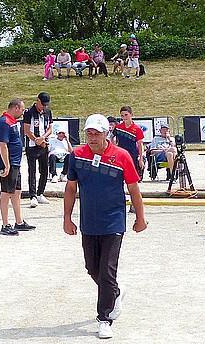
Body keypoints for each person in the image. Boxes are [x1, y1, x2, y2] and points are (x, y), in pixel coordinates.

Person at [63, 114, 147, 340]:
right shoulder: (77, 156)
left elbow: (133, 188)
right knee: (92, 268)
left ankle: (104, 318)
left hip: (114, 221)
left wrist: (140, 217)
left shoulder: (122, 156)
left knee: (107, 271)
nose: (92, 137)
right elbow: (71, 188)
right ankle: (115, 293)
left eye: (96, 133)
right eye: (89, 133)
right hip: (89, 222)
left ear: (106, 133)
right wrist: (67, 217)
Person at [0, 98, 32, 235]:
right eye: (22, 109)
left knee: (17, 191)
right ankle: (5, 225)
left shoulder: (12, 122)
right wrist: (7, 165)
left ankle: (19, 222)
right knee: (6, 192)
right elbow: (2, 145)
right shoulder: (4, 122)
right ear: (15, 108)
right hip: (9, 163)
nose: (23, 112)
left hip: (15, 162)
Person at [23, 92, 53, 207]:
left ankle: (40, 193)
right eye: (42, 104)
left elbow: (50, 128)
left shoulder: (48, 112)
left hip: (44, 144)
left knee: (44, 170)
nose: (44, 107)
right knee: (32, 171)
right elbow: (26, 130)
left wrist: (43, 138)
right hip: (32, 145)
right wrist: (36, 140)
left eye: (46, 105)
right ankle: (33, 195)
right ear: (37, 101)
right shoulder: (29, 112)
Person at [114, 106, 145, 181]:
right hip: (121, 154)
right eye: (122, 115)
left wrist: (141, 158)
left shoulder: (137, 129)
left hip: (132, 154)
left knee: (132, 178)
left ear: (131, 115)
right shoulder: (118, 127)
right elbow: (112, 138)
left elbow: (140, 144)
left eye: (126, 115)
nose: (124, 117)